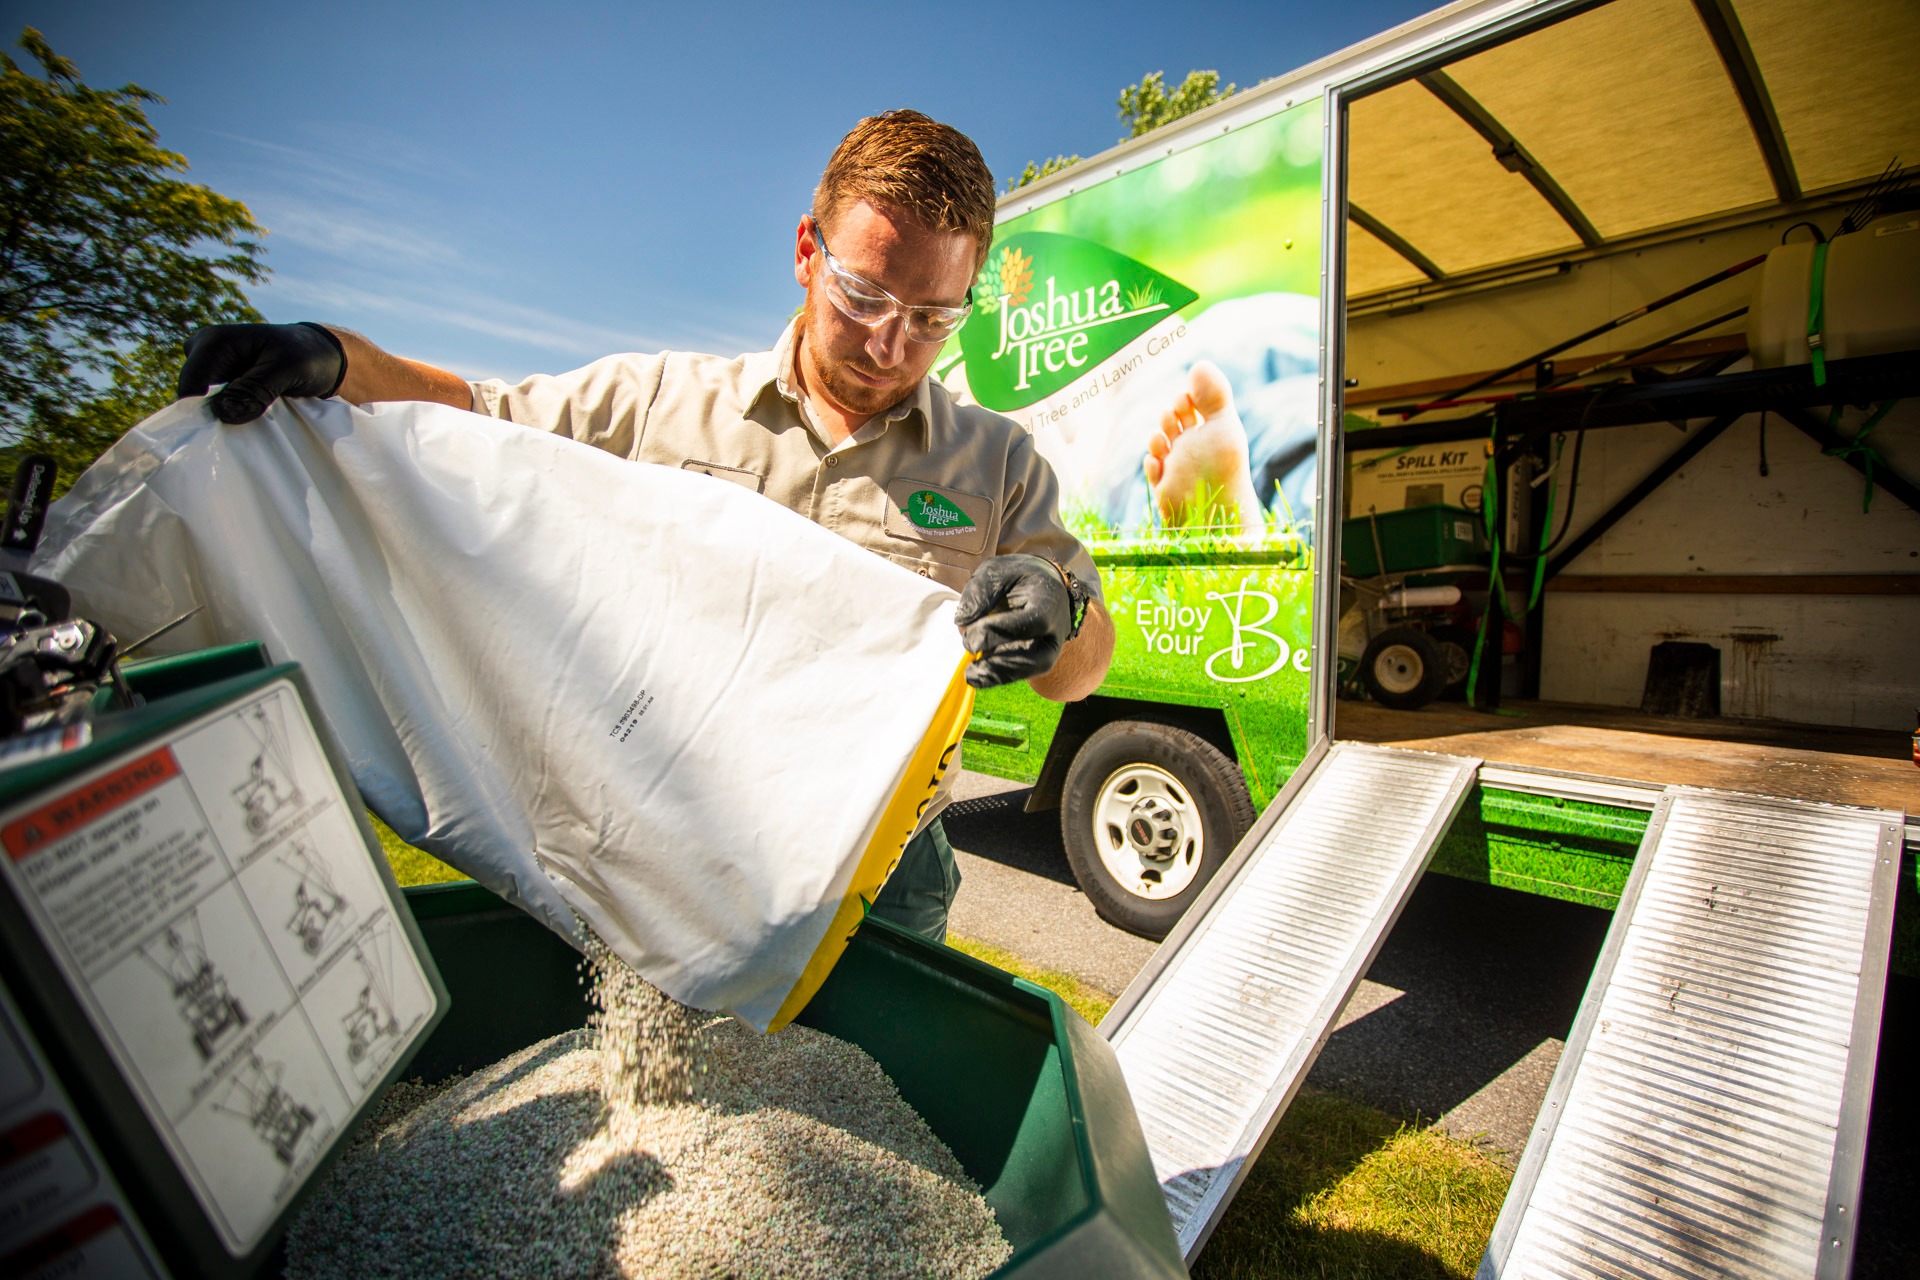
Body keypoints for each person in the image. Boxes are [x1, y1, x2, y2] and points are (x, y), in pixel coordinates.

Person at [174, 109, 1115, 943]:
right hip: (661, 836)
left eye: (931, 316)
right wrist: (339, 361)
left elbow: (1084, 674)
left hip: (880, 878)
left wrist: (1060, 615)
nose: (889, 343)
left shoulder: (998, 464)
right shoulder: (662, 400)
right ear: (804, 249)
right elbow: (480, 413)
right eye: (863, 296)